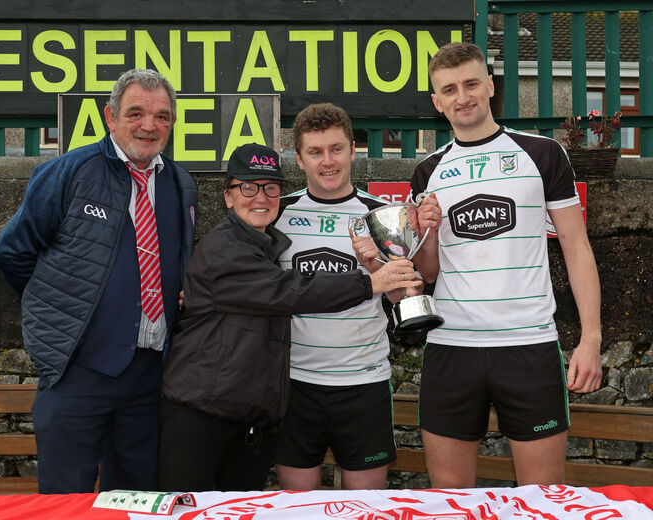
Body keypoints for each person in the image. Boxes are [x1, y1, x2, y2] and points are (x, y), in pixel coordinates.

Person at [359, 41, 602, 488]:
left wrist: (591, 339)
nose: (462, 96)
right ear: (437, 102)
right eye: (449, 89)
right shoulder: (427, 171)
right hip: (451, 348)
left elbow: (576, 247)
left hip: (529, 345)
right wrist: (426, 232)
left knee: (543, 500)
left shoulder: (542, 154)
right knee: (450, 501)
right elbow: (427, 273)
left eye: (471, 83)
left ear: (490, 86)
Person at [159, 143, 420, 492]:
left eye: (270, 188)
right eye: (248, 187)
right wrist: (370, 282)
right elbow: (291, 290)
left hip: (248, 415)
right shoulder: (226, 248)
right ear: (227, 197)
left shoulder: (267, 243)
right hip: (202, 414)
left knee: (240, 513)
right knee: (186, 511)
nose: (260, 197)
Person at [0, 69, 197, 493]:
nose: (149, 125)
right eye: (136, 113)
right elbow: (12, 253)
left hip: (149, 374)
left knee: (136, 500)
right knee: (65, 501)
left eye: (162, 116)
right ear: (110, 117)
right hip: (78, 369)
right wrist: (59, 314)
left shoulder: (181, 184)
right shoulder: (69, 172)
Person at [272, 103, 411, 490]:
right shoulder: (277, 217)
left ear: (353, 149)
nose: (327, 161)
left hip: (364, 384)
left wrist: (377, 272)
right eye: (315, 152)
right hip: (295, 383)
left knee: (364, 511)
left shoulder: (382, 215)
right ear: (299, 159)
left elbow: (405, 297)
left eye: (336, 149)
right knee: (298, 512)